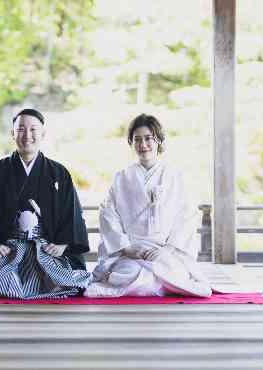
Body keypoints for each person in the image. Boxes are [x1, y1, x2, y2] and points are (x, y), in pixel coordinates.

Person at [0, 108, 91, 299]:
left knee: (68, 282)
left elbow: (71, 212)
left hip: (44, 249)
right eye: (21, 129)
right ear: (13, 134)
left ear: (43, 134)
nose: (27, 135)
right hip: (9, 249)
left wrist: (62, 244)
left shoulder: (58, 173)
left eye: (33, 129)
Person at [84, 113, 212, 298]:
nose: (143, 145)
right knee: (129, 275)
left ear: (158, 140)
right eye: (137, 140)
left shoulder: (175, 177)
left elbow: (187, 216)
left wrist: (166, 250)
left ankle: (161, 279)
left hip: (165, 251)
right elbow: (108, 214)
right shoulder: (122, 177)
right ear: (131, 143)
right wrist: (127, 248)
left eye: (148, 139)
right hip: (132, 252)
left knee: (171, 274)